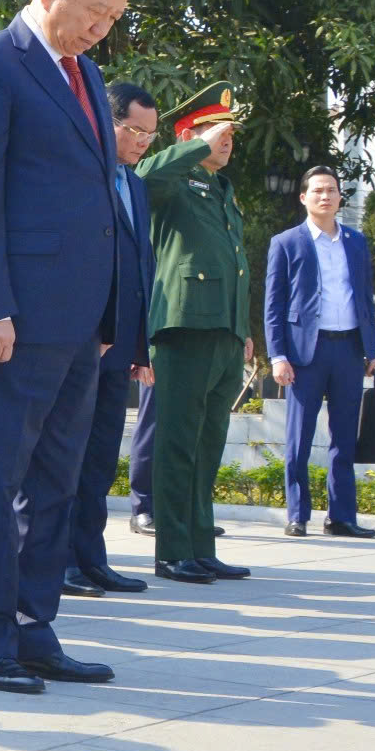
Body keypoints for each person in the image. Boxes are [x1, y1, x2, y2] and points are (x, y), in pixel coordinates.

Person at [0, 0, 132, 694]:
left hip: (78, 322)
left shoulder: (82, 75)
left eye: (114, 16)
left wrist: (111, 311)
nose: (102, 28)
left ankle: (31, 624)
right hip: (8, 321)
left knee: (53, 482)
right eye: (95, 10)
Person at [138, 86, 251, 586]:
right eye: (218, 131)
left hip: (222, 331)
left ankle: (200, 547)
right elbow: (144, 177)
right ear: (189, 135)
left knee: (208, 444)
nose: (227, 141)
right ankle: (172, 549)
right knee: (179, 442)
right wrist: (198, 146)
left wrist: (242, 331)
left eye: (230, 134)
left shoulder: (222, 190)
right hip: (184, 328)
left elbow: (235, 267)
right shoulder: (176, 181)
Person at [61, 81, 157, 597]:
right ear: (107, 121)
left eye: (150, 135)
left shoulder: (135, 184)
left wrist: (138, 346)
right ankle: (60, 561)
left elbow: (139, 269)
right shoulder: (85, 176)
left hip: (117, 345)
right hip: (80, 337)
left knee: (99, 457)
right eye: (134, 130)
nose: (142, 142)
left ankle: (91, 557)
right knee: (67, 456)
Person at [263, 166, 375, 538]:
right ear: (304, 197)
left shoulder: (355, 241)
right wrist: (278, 356)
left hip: (348, 348)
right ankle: (297, 515)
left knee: (344, 437)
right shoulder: (287, 242)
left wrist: (372, 347)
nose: (325, 197)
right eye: (317, 191)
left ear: (339, 197)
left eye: (331, 190)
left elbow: (364, 296)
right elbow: (274, 304)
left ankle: (342, 516)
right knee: (299, 437)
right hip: (305, 353)